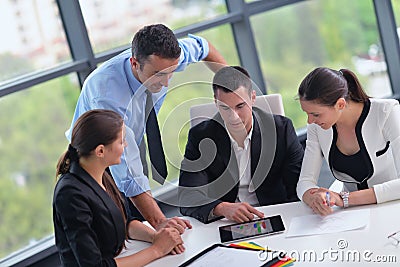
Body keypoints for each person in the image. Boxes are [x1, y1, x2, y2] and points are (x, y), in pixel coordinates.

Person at [66, 24, 227, 232]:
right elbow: (129, 171)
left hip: (126, 145)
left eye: (171, 72)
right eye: (159, 74)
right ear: (135, 63)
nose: (166, 82)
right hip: (95, 161)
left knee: (142, 229)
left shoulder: (167, 58)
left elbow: (204, 47)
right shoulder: (108, 96)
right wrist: (161, 222)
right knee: (115, 233)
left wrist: (231, 84)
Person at [53, 109, 184, 266]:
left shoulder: (102, 173)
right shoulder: (69, 194)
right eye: (121, 141)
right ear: (100, 151)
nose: (126, 145)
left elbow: (125, 222)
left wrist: (156, 237)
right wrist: (156, 250)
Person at [179, 66, 304, 223]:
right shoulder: (201, 136)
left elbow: (300, 184)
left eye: (240, 106)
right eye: (225, 108)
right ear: (216, 102)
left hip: (274, 215)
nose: (234, 117)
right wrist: (222, 208)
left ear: (252, 97)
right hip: (225, 221)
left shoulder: (281, 129)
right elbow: (188, 196)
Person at [296, 67, 400, 216]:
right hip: (350, 215)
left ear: (340, 104)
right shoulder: (316, 126)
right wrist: (313, 197)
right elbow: (304, 181)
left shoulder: (387, 112)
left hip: (391, 206)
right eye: (307, 114)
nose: (310, 120)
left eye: (315, 114)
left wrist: (343, 199)